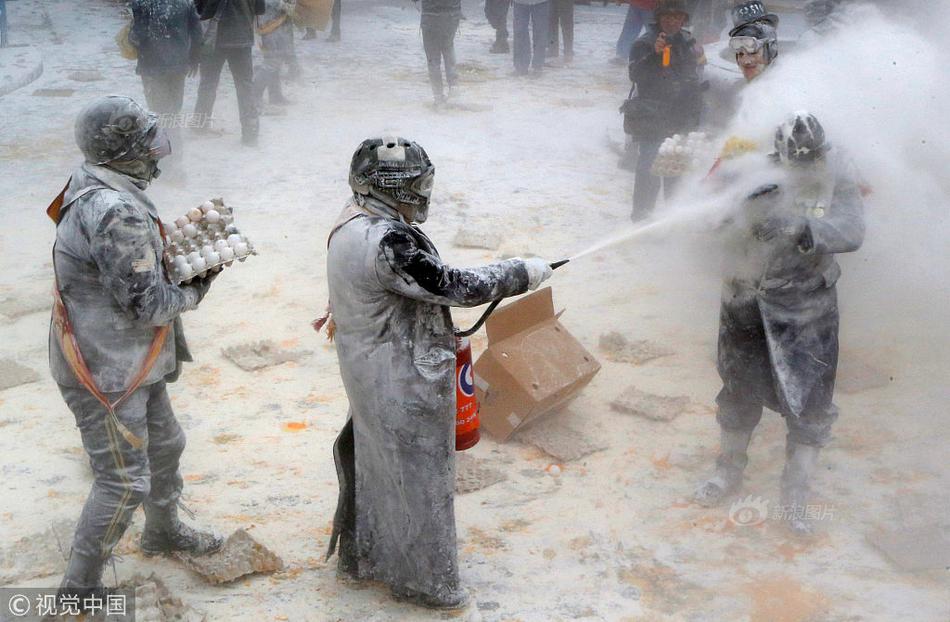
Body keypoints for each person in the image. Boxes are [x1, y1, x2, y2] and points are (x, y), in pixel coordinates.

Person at [324, 137, 553, 609]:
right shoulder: (389, 241)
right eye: (416, 184)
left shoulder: (352, 219)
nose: (424, 192)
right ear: (391, 187)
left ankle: (364, 560)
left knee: (379, 466)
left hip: (367, 370)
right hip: (399, 378)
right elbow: (454, 286)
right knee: (423, 479)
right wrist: (520, 273)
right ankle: (430, 586)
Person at [49, 96, 221, 608]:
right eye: (148, 146)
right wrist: (198, 284)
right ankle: (78, 592)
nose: (158, 157)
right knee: (123, 482)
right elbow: (149, 306)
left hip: (125, 358)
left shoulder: (97, 183)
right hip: (107, 369)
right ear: (122, 152)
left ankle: (163, 532)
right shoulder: (115, 209)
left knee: (166, 446)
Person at [694, 112, 865, 535]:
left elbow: (852, 229)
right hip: (747, 299)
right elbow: (711, 224)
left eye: (809, 156)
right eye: (793, 157)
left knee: (809, 402)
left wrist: (801, 226)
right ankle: (728, 470)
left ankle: (794, 498)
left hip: (807, 308)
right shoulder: (756, 171)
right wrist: (740, 216)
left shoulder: (837, 176)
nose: (801, 164)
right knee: (737, 389)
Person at [626, 0, 704, 220]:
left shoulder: (688, 41)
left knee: (676, 170)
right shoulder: (644, 43)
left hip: (680, 116)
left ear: (684, 19)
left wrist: (695, 115)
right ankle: (641, 218)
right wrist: (654, 55)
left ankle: (672, 218)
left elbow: (693, 77)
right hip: (652, 116)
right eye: (667, 17)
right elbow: (636, 76)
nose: (672, 22)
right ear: (659, 19)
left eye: (677, 17)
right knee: (649, 168)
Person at [129, 0, 203, 174]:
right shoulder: (186, 3)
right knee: (172, 114)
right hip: (177, 66)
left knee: (158, 113)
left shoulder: (142, 3)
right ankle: (175, 159)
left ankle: (162, 162)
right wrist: (194, 58)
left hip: (151, 67)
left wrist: (129, 35)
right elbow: (197, 32)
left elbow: (137, 36)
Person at [193, 0, 266, 146]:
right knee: (245, 86)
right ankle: (250, 133)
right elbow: (260, 9)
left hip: (214, 39)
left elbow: (199, 9)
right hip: (242, 38)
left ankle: (199, 126)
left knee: (208, 83)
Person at [414, 0, 461, 105]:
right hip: (451, 14)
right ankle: (453, 86)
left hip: (430, 16)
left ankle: (438, 98)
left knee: (433, 58)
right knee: (448, 47)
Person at [255, 0, 299, 107]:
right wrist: (282, 4)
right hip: (270, 24)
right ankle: (254, 94)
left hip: (281, 23)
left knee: (277, 61)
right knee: (272, 62)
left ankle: (275, 96)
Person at [512, 0, 551, 75]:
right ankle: (521, 66)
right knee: (520, 31)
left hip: (541, 3)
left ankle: (538, 65)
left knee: (540, 32)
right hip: (520, 3)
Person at [613, 0, 656, 65]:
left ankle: (656, 56)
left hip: (651, 6)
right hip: (636, 5)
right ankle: (621, 55)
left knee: (653, 33)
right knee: (629, 31)